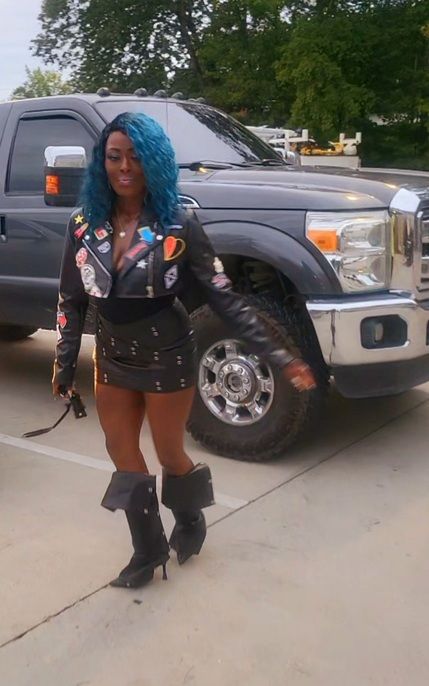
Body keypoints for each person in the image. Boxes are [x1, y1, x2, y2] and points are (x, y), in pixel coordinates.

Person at [52, 112, 316, 590]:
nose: (124, 167)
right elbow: (71, 299)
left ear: (155, 162)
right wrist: (64, 364)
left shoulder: (179, 224)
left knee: (170, 453)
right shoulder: (84, 224)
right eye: (114, 157)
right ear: (101, 163)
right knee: (120, 450)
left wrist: (279, 356)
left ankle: (190, 517)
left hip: (167, 352)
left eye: (136, 157)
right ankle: (147, 548)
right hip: (111, 352)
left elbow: (225, 298)